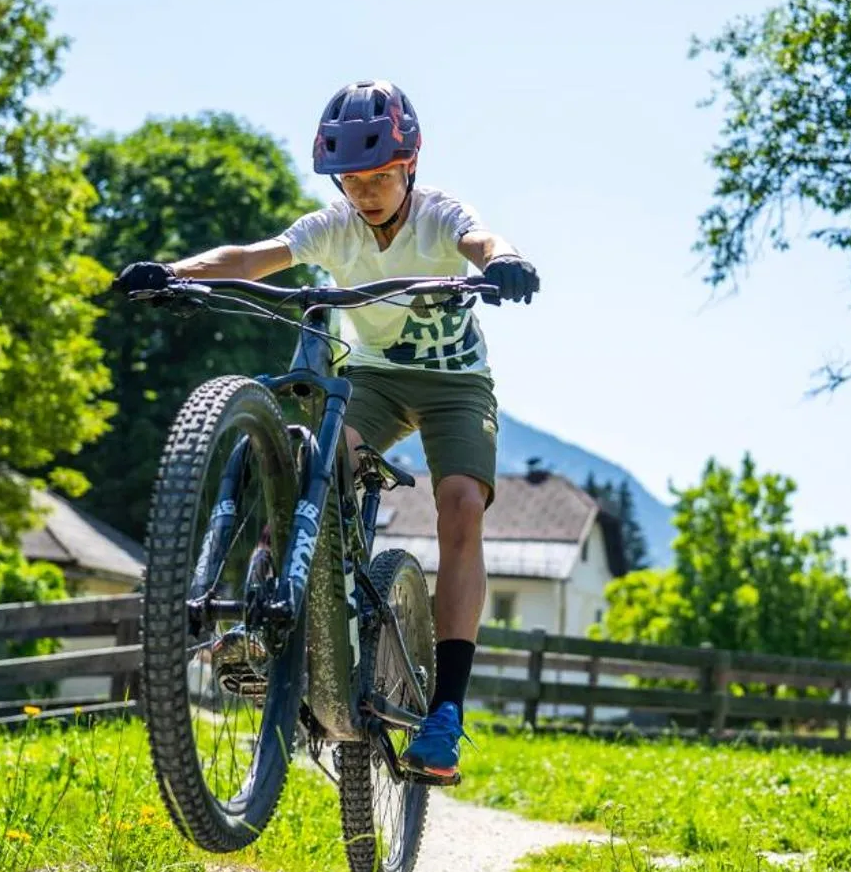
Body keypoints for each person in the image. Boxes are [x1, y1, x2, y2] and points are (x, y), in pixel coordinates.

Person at [117, 79, 539, 784]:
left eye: (379, 176)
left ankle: (445, 712)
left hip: (455, 385)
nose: (366, 191)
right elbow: (253, 258)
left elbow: (481, 238)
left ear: (409, 165)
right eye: (352, 179)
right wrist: (174, 273)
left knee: (461, 503)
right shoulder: (334, 228)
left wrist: (502, 261)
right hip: (370, 380)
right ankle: (279, 616)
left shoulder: (438, 216)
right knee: (301, 456)